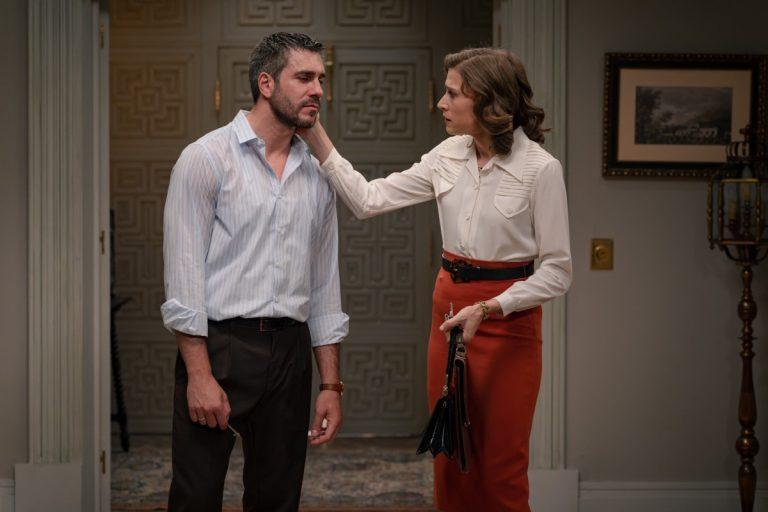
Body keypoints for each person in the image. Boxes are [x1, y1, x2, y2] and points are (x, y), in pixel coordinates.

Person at [299, 47, 572, 512]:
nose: (441, 103)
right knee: (449, 454)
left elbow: (558, 271)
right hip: (447, 316)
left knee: (501, 466)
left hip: (507, 322)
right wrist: (315, 135)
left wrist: (488, 307)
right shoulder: (447, 154)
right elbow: (368, 200)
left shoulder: (539, 169)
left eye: (452, 94)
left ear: (487, 100)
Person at [161, 32, 348, 512]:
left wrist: (330, 385)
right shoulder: (205, 159)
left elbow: (325, 286)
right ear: (266, 84)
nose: (318, 90)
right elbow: (183, 282)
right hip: (221, 347)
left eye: (320, 79)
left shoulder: (319, 174)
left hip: (291, 353)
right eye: (303, 77)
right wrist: (199, 376)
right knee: (195, 498)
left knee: (277, 500)